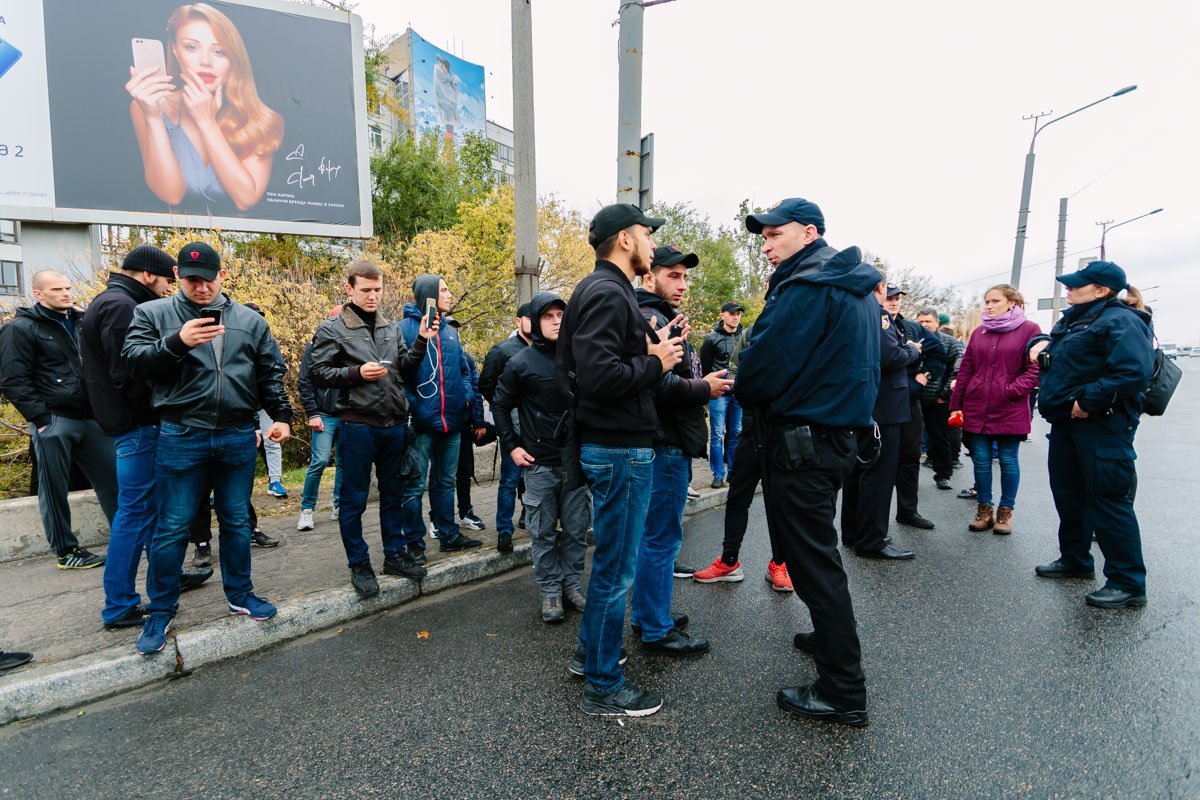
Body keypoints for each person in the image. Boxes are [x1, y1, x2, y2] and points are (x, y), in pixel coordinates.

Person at [736, 197, 881, 727]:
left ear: (810, 232)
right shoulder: (853, 285)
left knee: (813, 562)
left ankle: (844, 690)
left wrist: (745, 372)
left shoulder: (808, 287)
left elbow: (761, 370)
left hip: (804, 442)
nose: (768, 245)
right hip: (835, 436)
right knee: (818, 553)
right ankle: (828, 639)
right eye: (764, 237)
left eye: (777, 235)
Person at [123, 242, 292, 655]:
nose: (200, 287)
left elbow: (270, 371)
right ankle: (161, 611)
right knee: (173, 526)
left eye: (208, 278)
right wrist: (177, 342)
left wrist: (282, 415)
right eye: (191, 279)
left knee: (236, 521)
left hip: (236, 433)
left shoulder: (250, 321)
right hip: (182, 433)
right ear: (179, 277)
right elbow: (132, 363)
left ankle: (241, 596)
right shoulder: (153, 314)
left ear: (222, 276)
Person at [557, 203, 683, 717]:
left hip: (613, 443)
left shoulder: (601, 290)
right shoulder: (609, 292)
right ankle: (604, 686)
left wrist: (649, 358)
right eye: (647, 235)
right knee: (616, 570)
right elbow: (600, 378)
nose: (652, 244)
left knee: (611, 565)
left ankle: (591, 657)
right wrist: (655, 363)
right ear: (625, 240)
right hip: (619, 447)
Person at [81, 245, 214, 629]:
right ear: (148, 274)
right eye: (166, 280)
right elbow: (129, 372)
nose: (167, 289)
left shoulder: (108, 301)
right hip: (139, 425)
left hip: (130, 424)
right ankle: (120, 605)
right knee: (136, 514)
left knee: (152, 513)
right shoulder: (124, 307)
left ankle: (164, 580)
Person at [1029, 261, 1154, 609]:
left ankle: (1128, 582)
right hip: (1067, 425)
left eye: (1077, 285)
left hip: (1102, 424)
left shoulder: (1121, 320)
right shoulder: (1077, 318)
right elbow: (1061, 352)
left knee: (1108, 501)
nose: (1068, 289)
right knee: (1069, 496)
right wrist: (1039, 343)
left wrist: (1087, 401)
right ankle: (1076, 560)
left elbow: (1132, 372)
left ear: (1101, 290)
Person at [628, 246, 732, 653]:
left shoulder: (658, 316)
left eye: (685, 278)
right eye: (673, 275)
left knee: (654, 536)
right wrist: (704, 388)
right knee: (662, 538)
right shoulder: (650, 318)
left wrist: (698, 379)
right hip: (663, 442)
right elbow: (657, 383)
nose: (682, 285)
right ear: (649, 276)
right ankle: (655, 628)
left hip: (663, 440)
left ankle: (647, 614)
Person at [309, 261, 433, 597]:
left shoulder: (390, 328)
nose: (373, 296)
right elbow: (316, 373)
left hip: (392, 426)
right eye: (365, 290)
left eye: (377, 289)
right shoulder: (332, 329)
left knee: (393, 496)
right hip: (357, 426)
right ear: (349, 289)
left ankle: (394, 555)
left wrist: (421, 339)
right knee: (354, 501)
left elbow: (405, 369)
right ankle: (359, 563)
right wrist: (355, 374)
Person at [0, 270, 118, 570]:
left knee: (115, 480)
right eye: (57, 289)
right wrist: (41, 420)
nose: (66, 293)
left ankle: (128, 539)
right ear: (38, 294)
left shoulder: (81, 322)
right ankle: (67, 552)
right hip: (53, 420)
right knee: (53, 490)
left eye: (68, 288)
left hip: (91, 418)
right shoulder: (20, 329)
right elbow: (13, 380)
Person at [125, 2, 283, 210]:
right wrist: (153, 118)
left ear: (234, 58)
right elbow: (171, 194)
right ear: (175, 50)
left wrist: (207, 122)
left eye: (219, 52)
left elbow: (245, 199)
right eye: (192, 47)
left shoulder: (261, 119)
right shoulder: (146, 106)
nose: (206, 61)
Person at [493, 292, 590, 622]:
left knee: (577, 530)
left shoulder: (579, 357)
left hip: (575, 463)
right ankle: (550, 592)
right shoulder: (520, 362)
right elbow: (500, 405)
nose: (556, 321)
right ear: (535, 322)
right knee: (544, 533)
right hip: (539, 465)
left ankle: (572, 585)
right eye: (548, 316)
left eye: (561, 315)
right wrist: (512, 446)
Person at [692, 320, 795, 592]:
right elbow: (734, 372)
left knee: (779, 500)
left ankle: (780, 564)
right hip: (751, 428)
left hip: (783, 430)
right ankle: (729, 562)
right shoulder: (753, 332)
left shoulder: (800, 326)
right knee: (738, 496)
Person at [397, 275, 484, 557]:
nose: (450, 294)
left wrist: (466, 400)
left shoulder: (449, 332)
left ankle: (449, 535)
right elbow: (398, 376)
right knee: (414, 485)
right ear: (429, 296)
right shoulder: (403, 329)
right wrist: (416, 407)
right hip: (421, 423)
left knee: (445, 482)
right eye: (444, 290)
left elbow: (464, 370)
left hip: (452, 421)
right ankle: (414, 543)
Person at [949, 285, 1041, 535]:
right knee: (980, 461)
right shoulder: (980, 332)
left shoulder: (1030, 330)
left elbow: (1035, 368)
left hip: (1009, 407)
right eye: (986, 301)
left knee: (1009, 460)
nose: (988, 306)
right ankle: (984, 509)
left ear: (1012, 303)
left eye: (995, 301)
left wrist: (1010, 390)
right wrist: (956, 406)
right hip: (977, 405)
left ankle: (1005, 511)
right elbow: (966, 369)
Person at [841, 282, 922, 560]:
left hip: (864, 403)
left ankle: (852, 533)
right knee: (879, 474)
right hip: (885, 406)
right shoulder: (878, 316)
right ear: (879, 287)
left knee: (858, 470)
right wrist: (913, 350)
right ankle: (872, 540)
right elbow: (890, 356)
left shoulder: (853, 312)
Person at [479, 304, 533, 552]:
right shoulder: (502, 350)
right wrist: (506, 407)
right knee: (510, 479)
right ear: (517, 321)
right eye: (529, 318)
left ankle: (533, 520)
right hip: (513, 426)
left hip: (541, 426)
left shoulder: (549, 350)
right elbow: (486, 384)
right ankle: (504, 530)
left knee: (538, 478)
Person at [888, 287, 942, 530]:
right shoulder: (872, 323)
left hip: (909, 399)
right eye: (889, 298)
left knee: (909, 457)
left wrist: (924, 376)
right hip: (880, 400)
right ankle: (868, 522)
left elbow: (938, 354)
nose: (894, 303)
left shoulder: (912, 327)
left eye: (897, 299)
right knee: (876, 461)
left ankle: (908, 511)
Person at [296, 306, 345, 531]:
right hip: (323, 413)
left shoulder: (353, 344)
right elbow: (304, 381)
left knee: (346, 462)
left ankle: (339, 505)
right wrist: (313, 413)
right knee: (320, 461)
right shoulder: (314, 347)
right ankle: (307, 510)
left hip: (347, 413)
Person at [444, 316, 488, 533]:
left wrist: (478, 421)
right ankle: (440, 518)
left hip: (462, 424)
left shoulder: (467, 359)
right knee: (442, 475)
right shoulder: (434, 356)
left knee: (464, 471)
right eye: (450, 330)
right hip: (439, 424)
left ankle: (465, 512)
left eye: (456, 331)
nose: (454, 335)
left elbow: (476, 389)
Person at [915, 307, 963, 491]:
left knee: (940, 438)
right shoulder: (912, 339)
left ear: (937, 322)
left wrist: (944, 395)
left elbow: (955, 370)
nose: (925, 325)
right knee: (912, 440)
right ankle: (908, 476)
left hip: (938, 400)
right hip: (915, 397)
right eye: (921, 321)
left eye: (928, 321)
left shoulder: (950, 343)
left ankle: (943, 475)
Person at [700, 301, 744, 489]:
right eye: (732, 313)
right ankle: (718, 473)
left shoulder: (745, 336)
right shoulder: (712, 339)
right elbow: (705, 367)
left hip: (739, 392)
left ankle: (733, 472)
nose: (736, 317)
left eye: (738, 313)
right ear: (723, 315)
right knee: (717, 434)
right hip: (719, 394)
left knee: (736, 433)